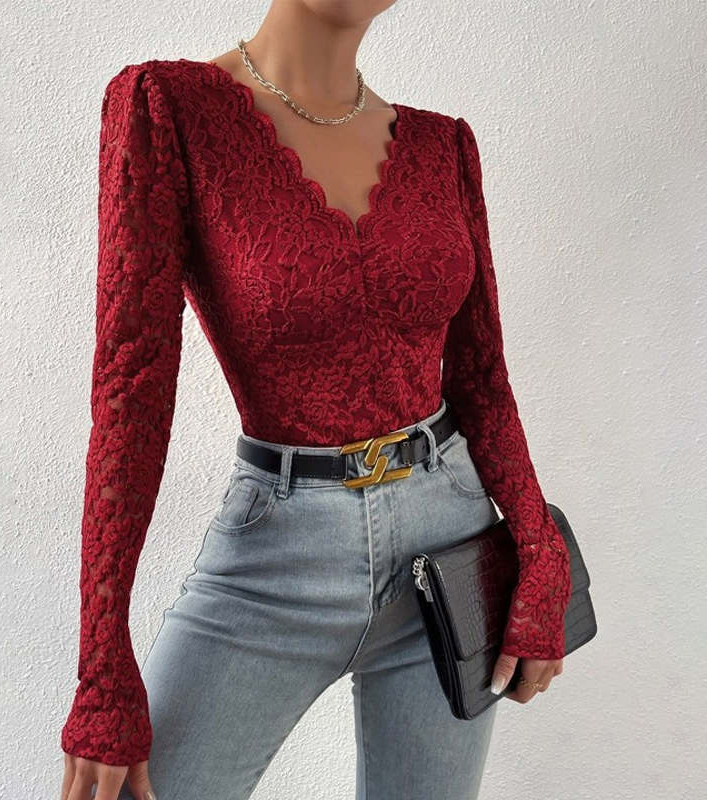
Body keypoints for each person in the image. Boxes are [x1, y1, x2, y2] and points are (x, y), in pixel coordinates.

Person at [59, 2, 572, 798]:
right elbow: (133, 385)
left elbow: (480, 377)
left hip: (450, 548)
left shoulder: (442, 148)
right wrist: (102, 667)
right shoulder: (170, 110)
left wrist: (540, 551)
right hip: (277, 554)